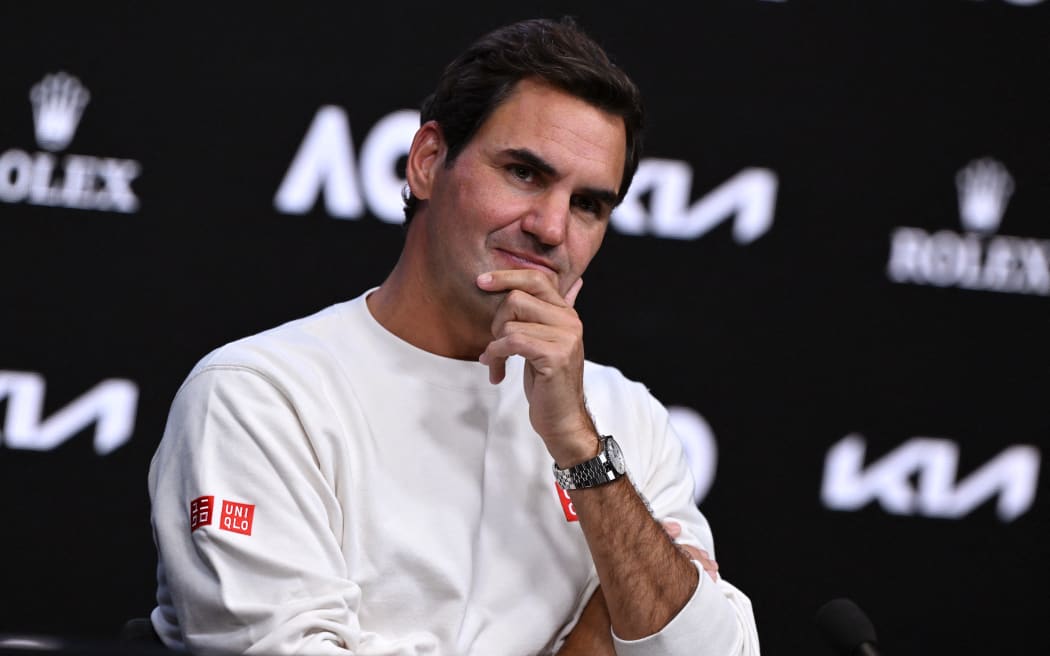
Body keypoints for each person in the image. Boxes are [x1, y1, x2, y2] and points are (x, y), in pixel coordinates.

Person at [147, 17, 760, 656]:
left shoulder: (624, 418)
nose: (551, 227)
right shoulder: (261, 395)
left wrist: (579, 446)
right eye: (524, 173)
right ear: (428, 163)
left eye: (588, 205)